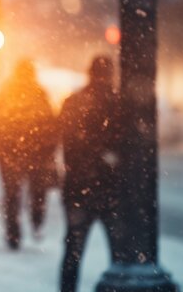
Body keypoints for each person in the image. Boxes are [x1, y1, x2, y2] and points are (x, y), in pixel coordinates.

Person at [58, 56, 122, 292]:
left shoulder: (74, 102)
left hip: (78, 190)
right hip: (111, 190)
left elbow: (68, 145)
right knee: (120, 254)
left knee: (73, 252)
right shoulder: (119, 103)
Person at [0, 59, 57, 249]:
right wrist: (50, 152)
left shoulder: (5, 92)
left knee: (11, 195)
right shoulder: (39, 92)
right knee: (37, 192)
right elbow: (50, 125)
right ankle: (36, 220)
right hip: (36, 153)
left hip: (10, 153)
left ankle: (13, 234)